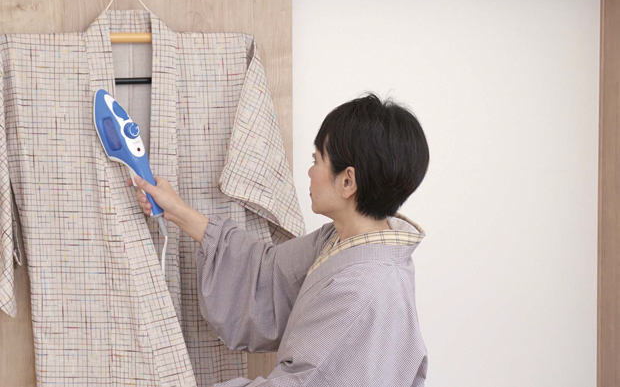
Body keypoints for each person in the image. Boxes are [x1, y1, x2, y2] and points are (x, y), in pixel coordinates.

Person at [127, 92, 430, 386]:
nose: (310, 172)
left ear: (347, 181)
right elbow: (267, 272)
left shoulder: (361, 290)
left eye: (316, 160)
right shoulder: (343, 240)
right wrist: (178, 211)